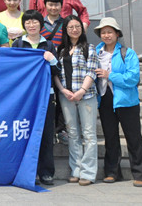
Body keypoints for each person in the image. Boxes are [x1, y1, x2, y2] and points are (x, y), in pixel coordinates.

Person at [93, 17, 142, 187]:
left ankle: (139, 173)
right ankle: (112, 172)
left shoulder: (128, 53)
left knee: (133, 137)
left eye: (110, 32)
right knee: (110, 137)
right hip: (105, 99)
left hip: (126, 101)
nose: (106, 35)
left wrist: (110, 75)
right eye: (103, 32)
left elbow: (133, 78)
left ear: (117, 34)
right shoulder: (96, 52)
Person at [11, 10, 59, 186]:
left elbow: (57, 71)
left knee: (46, 134)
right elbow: (13, 70)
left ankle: (46, 172)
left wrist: (52, 60)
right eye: (28, 22)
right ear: (24, 25)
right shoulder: (18, 44)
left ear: (41, 24)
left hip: (45, 95)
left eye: (35, 22)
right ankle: (28, 172)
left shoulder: (49, 45)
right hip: (25, 97)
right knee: (25, 133)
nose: (31, 25)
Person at [55, 14, 100, 185]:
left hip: (86, 96)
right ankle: (76, 169)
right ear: (65, 30)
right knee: (72, 134)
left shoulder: (89, 48)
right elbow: (56, 73)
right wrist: (62, 90)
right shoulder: (61, 50)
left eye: (77, 27)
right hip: (66, 96)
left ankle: (88, 173)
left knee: (89, 134)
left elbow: (91, 71)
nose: (75, 30)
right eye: (71, 27)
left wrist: (81, 91)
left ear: (82, 29)